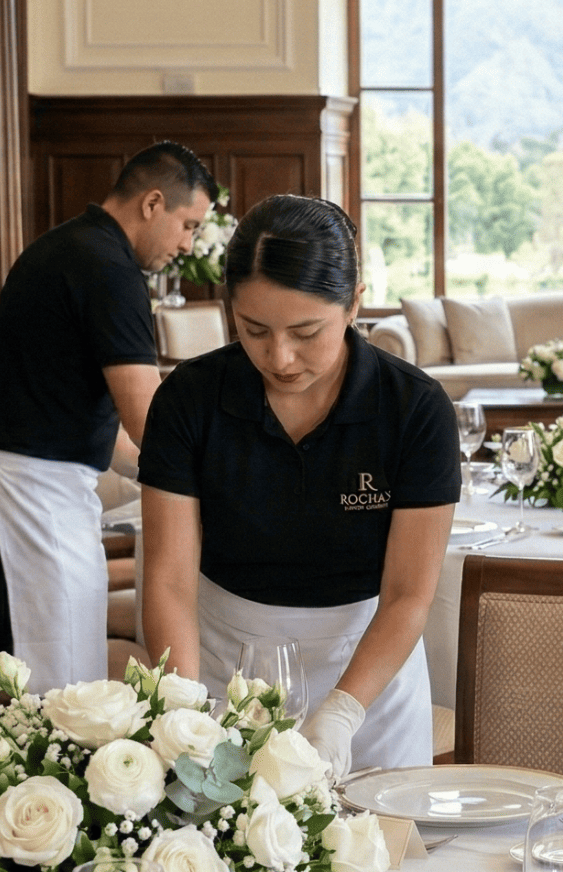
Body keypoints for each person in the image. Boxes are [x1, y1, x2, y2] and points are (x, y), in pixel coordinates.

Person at [136, 195, 459, 777]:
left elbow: (410, 593)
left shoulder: (414, 408)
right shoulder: (190, 398)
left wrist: (342, 712)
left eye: (307, 332)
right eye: (254, 329)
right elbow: (168, 579)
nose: (280, 357)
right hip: (219, 659)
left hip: (366, 671)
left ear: (354, 304)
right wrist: (181, 708)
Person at [0, 143, 215, 693]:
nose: (188, 244)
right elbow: (150, 419)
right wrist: (221, 479)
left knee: (70, 674)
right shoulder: (107, 267)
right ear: (153, 203)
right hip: (24, 498)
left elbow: (89, 424)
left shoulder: (77, 247)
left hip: (41, 487)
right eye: (187, 224)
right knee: (44, 687)